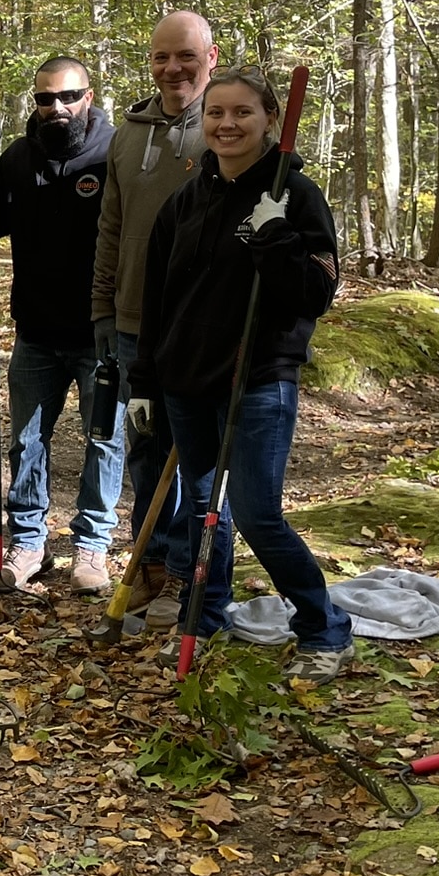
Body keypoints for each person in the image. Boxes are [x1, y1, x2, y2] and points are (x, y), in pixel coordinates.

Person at [127, 66, 352, 684]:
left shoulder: (295, 195)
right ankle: (207, 614)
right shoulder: (185, 200)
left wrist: (276, 236)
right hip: (185, 380)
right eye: (215, 114)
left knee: (257, 514)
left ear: (270, 121)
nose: (226, 125)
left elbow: (316, 293)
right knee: (204, 509)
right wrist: (143, 380)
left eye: (241, 114)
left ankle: (323, 628)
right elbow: (158, 298)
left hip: (257, 379)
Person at [0, 56, 120, 593]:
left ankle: (92, 546)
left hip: (102, 330)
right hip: (36, 328)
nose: (55, 108)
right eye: (44, 99)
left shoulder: (114, 151)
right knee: (26, 440)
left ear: (88, 95)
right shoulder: (17, 157)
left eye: (67, 96)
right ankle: (29, 542)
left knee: (104, 440)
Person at [90, 10, 217, 628]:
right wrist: (103, 311)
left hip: (196, 328)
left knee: (194, 458)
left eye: (186, 57)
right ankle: (152, 567)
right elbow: (110, 229)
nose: (173, 69)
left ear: (210, 58)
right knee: (144, 454)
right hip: (133, 323)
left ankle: (190, 577)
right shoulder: (128, 132)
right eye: (162, 58)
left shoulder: (223, 129)